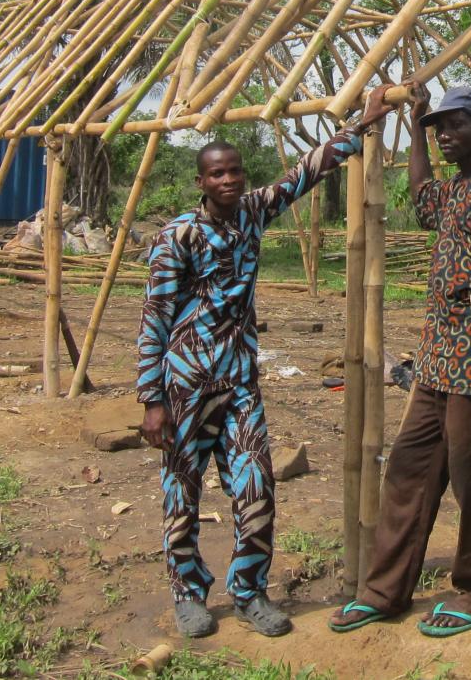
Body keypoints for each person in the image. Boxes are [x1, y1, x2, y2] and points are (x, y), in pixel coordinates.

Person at [137, 86, 395, 639]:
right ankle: (187, 594)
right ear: (201, 182)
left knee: (256, 488)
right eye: (216, 174)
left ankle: (250, 591)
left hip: (240, 385)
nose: (228, 180)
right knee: (181, 492)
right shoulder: (177, 236)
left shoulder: (253, 213)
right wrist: (150, 400)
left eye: (234, 171)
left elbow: (305, 172)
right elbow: (154, 320)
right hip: (184, 386)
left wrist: (362, 123)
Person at [330, 80, 471, 638]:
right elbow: (422, 191)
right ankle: (384, 590)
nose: (445, 135)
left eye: (454, 125)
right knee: (409, 471)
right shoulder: (456, 190)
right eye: (439, 128)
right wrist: (416, 120)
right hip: (438, 360)